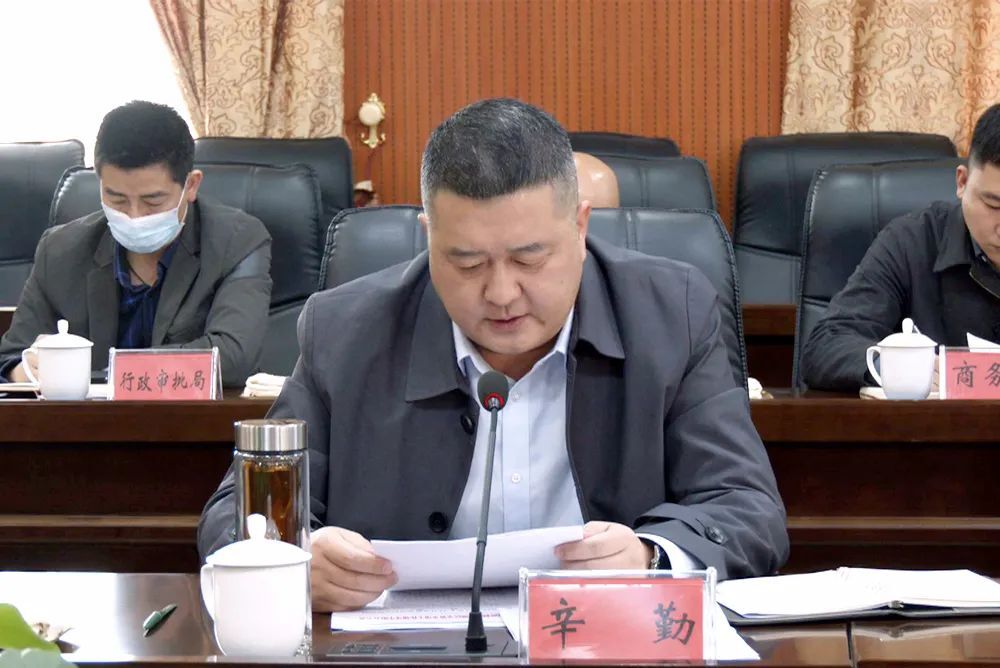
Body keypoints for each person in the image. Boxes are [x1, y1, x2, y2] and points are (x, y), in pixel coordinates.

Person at [199, 98, 787, 611]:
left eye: (530, 258)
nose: (502, 294)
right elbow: (234, 513)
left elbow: (745, 506)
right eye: (467, 262)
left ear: (581, 228)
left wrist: (651, 556)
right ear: (428, 237)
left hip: (603, 641)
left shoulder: (670, 313)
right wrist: (295, 556)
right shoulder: (345, 331)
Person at [0, 101, 272, 387]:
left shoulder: (236, 242)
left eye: (152, 200)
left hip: (193, 416)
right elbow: (10, 357)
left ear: (191, 185)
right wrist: (25, 370)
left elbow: (232, 358)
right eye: (116, 199)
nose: (134, 215)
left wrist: (111, 372)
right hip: (82, 417)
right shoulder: (60, 250)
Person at [802, 103, 1000, 390]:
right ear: (962, 182)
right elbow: (826, 345)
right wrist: (897, 366)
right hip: (935, 419)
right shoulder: (911, 243)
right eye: (994, 205)